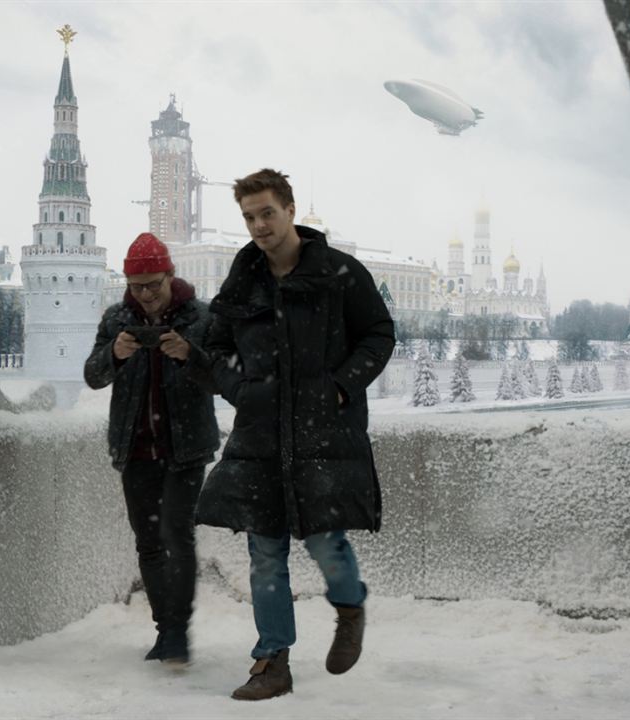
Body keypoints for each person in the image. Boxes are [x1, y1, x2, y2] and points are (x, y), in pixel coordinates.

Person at [195, 169, 395, 700]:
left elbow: (379, 334)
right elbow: (213, 349)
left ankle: (349, 607)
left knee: (326, 540)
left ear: (289, 209)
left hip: (323, 433)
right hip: (260, 436)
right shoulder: (243, 281)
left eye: (267, 213)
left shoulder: (339, 274)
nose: (259, 225)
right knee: (264, 550)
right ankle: (272, 661)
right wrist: (242, 390)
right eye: (249, 217)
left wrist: (339, 388)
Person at [84, 232, 220, 666]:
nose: (145, 296)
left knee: (176, 537)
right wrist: (115, 353)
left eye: (153, 285)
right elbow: (92, 375)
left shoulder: (200, 317)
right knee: (148, 542)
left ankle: (177, 633)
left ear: (170, 276)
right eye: (136, 286)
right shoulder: (117, 317)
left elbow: (222, 379)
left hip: (186, 448)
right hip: (136, 448)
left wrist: (189, 354)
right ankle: (165, 630)